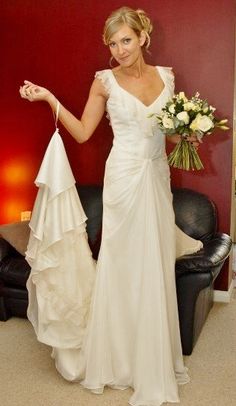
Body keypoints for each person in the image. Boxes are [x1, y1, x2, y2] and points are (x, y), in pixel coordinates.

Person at [20, 6, 202, 406]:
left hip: (156, 178)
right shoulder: (104, 82)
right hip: (122, 180)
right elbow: (84, 132)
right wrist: (50, 98)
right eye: (113, 43)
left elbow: (168, 136)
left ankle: (149, 359)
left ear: (142, 38)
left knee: (153, 263)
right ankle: (118, 360)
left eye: (126, 40)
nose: (120, 49)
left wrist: (187, 134)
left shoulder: (167, 77)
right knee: (123, 265)